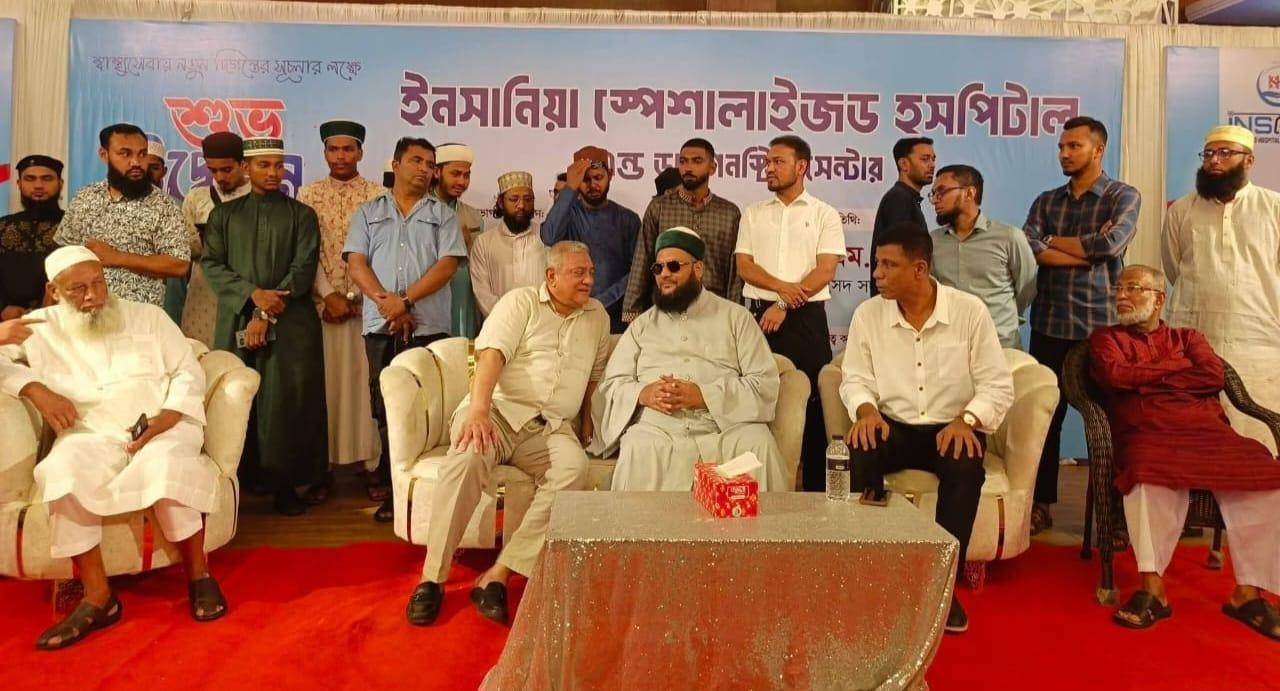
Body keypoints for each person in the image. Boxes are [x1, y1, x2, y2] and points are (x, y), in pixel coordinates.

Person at [0, 246, 227, 650]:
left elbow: (187, 370)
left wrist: (169, 416)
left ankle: (199, 575)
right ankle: (98, 597)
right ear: (53, 291)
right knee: (63, 470)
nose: (93, 296)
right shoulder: (37, 328)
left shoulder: (148, 316)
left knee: (165, 464)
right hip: (91, 432)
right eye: (78, 289)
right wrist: (34, 388)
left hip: (160, 425)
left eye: (98, 283)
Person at [406, 241, 610, 627]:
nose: (588, 280)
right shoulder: (521, 303)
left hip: (549, 427)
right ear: (551, 277)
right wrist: (478, 411)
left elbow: (593, 379)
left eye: (590, 273)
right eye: (578, 273)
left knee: (573, 470)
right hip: (498, 413)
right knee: (467, 458)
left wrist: (586, 425)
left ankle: (499, 573)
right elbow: (491, 356)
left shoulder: (597, 316)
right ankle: (432, 578)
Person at [1089, 264, 1280, 640]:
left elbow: (1212, 375)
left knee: (1266, 475)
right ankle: (1153, 590)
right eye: (1119, 288)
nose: (1121, 295)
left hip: (1207, 432)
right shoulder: (1105, 339)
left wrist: (1147, 377)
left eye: (1133, 288)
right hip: (1148, 431)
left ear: (1159, 299)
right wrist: (1176, 371)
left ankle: (1248, 594)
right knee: (1144, 472)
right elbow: (1116, 376)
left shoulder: (1188, 338)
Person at [841, 222, 1014, 635]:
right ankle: (873, 570)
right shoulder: (868, 314)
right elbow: (855, 378)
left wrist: (967, 420)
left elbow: (997, 384)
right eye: (876, 264)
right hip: (893, 426)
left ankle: (943, 586)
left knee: (965, 464)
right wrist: (866, 412)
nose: (877, 274)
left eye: (888, 265)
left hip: (951, 427)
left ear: (919, 269)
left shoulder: (969, 312)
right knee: (860, 449)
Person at [1021, 115, 1141, 534]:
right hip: (1049, 323)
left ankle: (1112, 511)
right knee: (1044, 419)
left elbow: (1111, 244)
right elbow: (1029, 247)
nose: (1064, 154)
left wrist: (1053, 242)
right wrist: (1084, 252)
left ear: (1098, 149)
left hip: (1099, 328)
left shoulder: (1122, 195)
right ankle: (1040, 505)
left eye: (1074, 146)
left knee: (1109, 423)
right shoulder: (1046, 201)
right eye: (1061, 147)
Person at [598, 227, 787, 491]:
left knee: (758, 444)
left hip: (725, 425)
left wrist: (704, 396)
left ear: (698, 269)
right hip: (659, 428)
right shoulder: (642, 326)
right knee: (638, 447)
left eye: (674, 266)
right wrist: (644, 393)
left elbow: (764, 383)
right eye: (658, 268)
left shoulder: (736, 318)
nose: (664, 274)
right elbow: (611, 385)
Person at [202, 137, 327, 516]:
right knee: (237, 398)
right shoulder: (223, 216)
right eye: (263, 165)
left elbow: (302, 269)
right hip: (238, 316)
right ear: (245, 168)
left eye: (278, 165)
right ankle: (237, 482)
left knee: (286, 402)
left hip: (290, 324)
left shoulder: (302, 215)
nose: (273, 173)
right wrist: (252, 296)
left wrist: (265, 313)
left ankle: (286, 486)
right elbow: (212, 264)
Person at [345, 137, 465, 522]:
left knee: (430, 409)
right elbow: (357, 263)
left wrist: (406, 301)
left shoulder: (442, 215)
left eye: (430, 164)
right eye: (416, 161)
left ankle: (430, 492)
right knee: (386, 409)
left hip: (429, 326)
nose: (424, 169)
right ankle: (395, 492)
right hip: (381, 325)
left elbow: (447, 265)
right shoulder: (368, 212)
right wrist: (388, 303)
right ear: (395, 165)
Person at [735, 134, 843, 492]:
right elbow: (745, 267)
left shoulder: (824, 214)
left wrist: (782, 303)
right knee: (758, 401)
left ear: (801, 167)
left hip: (806, 319)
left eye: (777, 162)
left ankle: (814, 492)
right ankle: (759, 485)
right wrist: (781, 291)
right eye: (767, 162)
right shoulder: (753, 213)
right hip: (759, 318)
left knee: (813, 405)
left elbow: (825, 270)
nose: (769, 168)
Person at [1163, 125, 1280, 453]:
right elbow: (1173, 267)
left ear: (1249, 160)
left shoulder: (1274, 207)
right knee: (1194, 442)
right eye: (1209, 153)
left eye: (1225, 153)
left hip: (1258, 344)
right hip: (1194, 341)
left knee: (1258, 442)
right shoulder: (1181, 210)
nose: (1214, 160)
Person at [296, 120, 383, 504]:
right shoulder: (308, 194)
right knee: (326, 389)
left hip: (366, 309)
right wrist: (329, 295)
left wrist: (356, 297)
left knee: (365, 389)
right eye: (334, 149)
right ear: (325, 152)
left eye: (349, 149)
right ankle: (323, 469)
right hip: (324, 309)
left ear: (361, 152)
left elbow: (380, 251)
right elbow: (307, 250)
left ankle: (370, 464)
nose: (341, 156)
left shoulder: (378, 195)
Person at [54, 123, 189, 308]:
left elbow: (179, 265)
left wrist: (117, 257)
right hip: (85, 311)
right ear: (104, 155)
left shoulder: (164, 205)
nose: (136, 162)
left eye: (142, 154)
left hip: (139, 316)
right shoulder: (85, 197)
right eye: (125, 154)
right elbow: (63, 255)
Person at [623, 138, 742, 323]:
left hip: (714, 313)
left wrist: (733, 316)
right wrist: (632, 313)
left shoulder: (729, 213)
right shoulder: (660, 208)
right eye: (683, 161)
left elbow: (735, 272)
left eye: (697, 161)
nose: (688, 167)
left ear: (712, 168)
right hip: (667, 309)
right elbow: (642, 260)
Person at [929, 164, 1036, 349]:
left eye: (942, 191)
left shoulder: (1009, 237)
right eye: (933, 194)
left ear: (969, 193)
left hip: (1000, 345)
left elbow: (1027, 288)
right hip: (951, 346)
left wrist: (1005, 317)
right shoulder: (933, 241)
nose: (935, 200)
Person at [541, 145, 641, 333]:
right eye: (585, 180)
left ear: (610, 175)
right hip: (571, 312)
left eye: (598, 177)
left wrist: (600, 302)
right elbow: (549, 236)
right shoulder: (568, 215)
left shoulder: (628, 219)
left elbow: (636, 272)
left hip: (615, 315)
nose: (593, 185)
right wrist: (570, 188)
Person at [180, 132, 251, 347]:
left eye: (227, 170)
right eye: (213, 170)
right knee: (201, 354)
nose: (220, 177)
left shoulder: (259, 198)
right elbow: (184, 248)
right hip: (204, 291)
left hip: (246, 289)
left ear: (243, 164)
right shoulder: (196, 198)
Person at [471, 171, 545, 317]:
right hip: (499, 324)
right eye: (514, 199)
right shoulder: (484, 243)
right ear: (500, 202)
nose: (521, 205)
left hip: (541, 324)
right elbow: (482, 293)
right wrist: (507, 321)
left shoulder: (545, 238)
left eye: (528, 199)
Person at [0, 155, 64, 320]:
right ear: (19, 184)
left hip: (59, 319)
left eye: (47, 179)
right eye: (30, 179)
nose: (38, 185)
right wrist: (3, 308)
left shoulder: (73, 226)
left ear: (60, 183)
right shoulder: (3, 226)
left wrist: (49, 309)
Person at [870, 137, 934, 297]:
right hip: (896, 297)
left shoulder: (906, 198)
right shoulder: (899, 199)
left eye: (933, 159)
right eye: (925, 159)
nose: (932, 165)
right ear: (904, 164)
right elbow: (896, 255)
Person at [432, 143, 483, 339]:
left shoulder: (473, 216)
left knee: (463, 353)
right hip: (431, 300)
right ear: (437, 172)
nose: (462, 181)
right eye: (455, 174)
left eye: (466, 175)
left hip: (464, 300)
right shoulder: (421, 211)